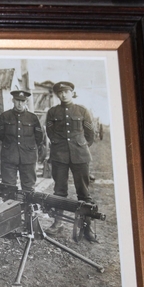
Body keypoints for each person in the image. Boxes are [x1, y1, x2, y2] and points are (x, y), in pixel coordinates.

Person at [45, 81, 98, 242]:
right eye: (60, 93)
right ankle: (58, 222)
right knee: (59, 190)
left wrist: (81, 146)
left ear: (72, 92)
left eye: (66, 92)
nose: (63, 95)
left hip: (80, 155)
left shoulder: (82, 110)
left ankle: (87, 227)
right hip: (59, 155)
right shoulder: (53, 112)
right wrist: (58, 144)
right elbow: (50, 131)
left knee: (83, 192)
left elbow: (90, 133)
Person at [0, 90, 43, 193]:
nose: (20, 103)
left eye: (22, 101)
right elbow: (1, 135)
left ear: (26, 102)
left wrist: (30, 148)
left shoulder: (33, 118)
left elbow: (39, 137)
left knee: (29, 188)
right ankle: (10, 209)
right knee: (8, 187)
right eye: (17, 100)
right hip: (9, 156)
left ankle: (27, 209)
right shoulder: (5, 116)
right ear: (13, 100)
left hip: (28, 157)